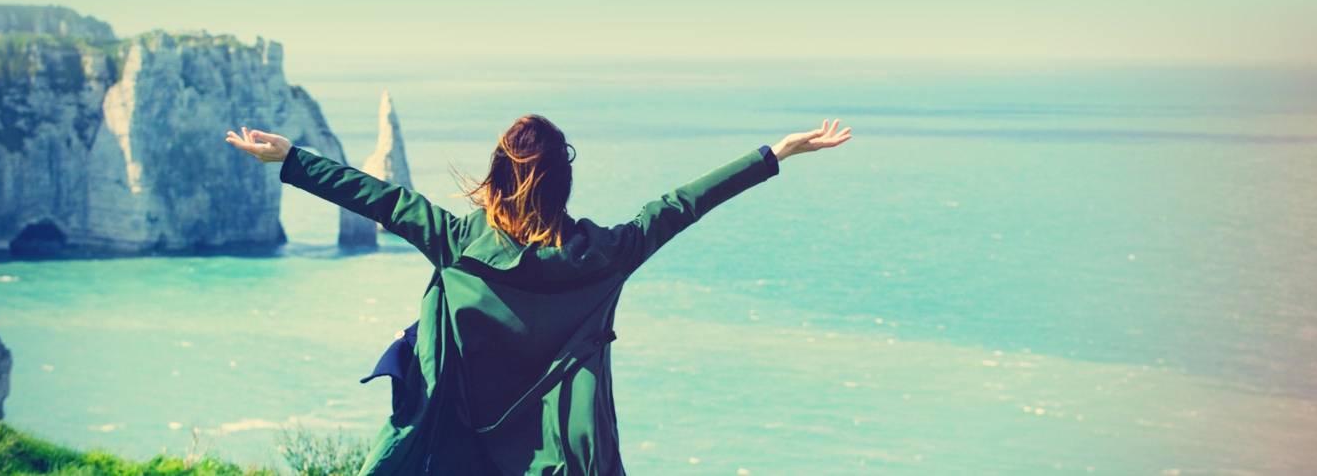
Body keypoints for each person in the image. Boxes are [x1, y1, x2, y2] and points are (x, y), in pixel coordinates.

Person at [225, 114, 850, 475]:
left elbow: (378, 198)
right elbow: (683, 205)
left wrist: (293, 160)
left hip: (456, 452)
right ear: (566, 181)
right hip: (559, 463)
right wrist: (773, 154)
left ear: (496, 175)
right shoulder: (609, 256)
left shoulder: (455, 242)